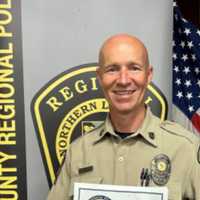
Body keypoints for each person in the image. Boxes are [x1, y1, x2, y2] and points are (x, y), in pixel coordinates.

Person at [47, 34, 200, 200]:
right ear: (99, 77)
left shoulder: (186, 149)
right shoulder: (78, 152)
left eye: (134, 68)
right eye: (112, 69)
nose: (123, 80)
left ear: (148, 75)